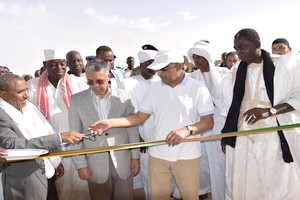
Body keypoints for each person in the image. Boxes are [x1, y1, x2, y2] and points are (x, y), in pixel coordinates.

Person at [89, 50, 214, 200]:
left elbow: (208, 121)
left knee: (189, 196)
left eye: (164, 69)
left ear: (179, 66)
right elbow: (139, 118)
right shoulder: (154, 88)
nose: (159, 74)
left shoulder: (198, 88)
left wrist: (187, 130)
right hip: (158, 155)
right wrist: (110, 123)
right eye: (158, 69)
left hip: (187, 155)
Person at [221, 28, 300, 199]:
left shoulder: (281, 66)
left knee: (272, 179)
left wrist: (269, 111)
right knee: (244, 178)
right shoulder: (236, 70)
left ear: (256, 44)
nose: (239, 52)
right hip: (244, 134)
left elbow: (298, 97)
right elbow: (232, 105)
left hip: (272, 135)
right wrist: (227, 135)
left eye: (242, 47)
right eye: (236, 48)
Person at [0, 73, 83, 200]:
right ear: (2, 94)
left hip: (47, 174)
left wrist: (56, 161)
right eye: (20, 92)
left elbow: (45, 131)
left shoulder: (29, 107)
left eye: (27, 90)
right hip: (25, 183)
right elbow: (14, 144)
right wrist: (59, 138)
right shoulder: (2, 114)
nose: (27, 95)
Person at [69, 59, 140, 200]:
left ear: (109, 77)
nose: (95, 86)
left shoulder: (124, 96)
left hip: (123, 161)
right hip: (94, 164)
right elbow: (75, 136)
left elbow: (132, 128)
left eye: (100, 81)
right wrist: (80, 165)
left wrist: (135, 157)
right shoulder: (76, 100)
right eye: (90, 82)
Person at [27, 47, 90, 200]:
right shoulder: (32, 86)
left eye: (62, 64)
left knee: (82, 185)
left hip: (78, 142)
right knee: (60, 188)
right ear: (45, 64)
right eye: (54, 64)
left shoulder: (78, 82)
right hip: (51, 145)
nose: (59, 68)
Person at [123, 49, 159, 200]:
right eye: (149, 63)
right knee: (147, 170)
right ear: (142, 64)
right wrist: (137, 137)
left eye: (154, 63)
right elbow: (126, 113)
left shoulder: (160, 81)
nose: (152, 66)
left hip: (160, 133)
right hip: (142, 133)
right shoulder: (129, 83)